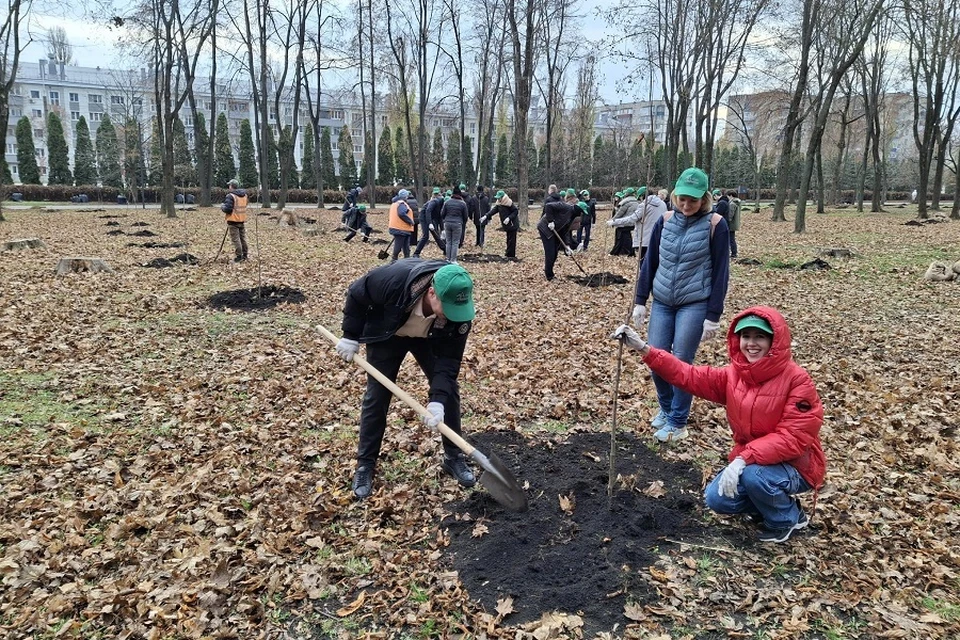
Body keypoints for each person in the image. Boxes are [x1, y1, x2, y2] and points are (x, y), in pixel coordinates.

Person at [611, 307, 825, 543]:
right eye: (746, 336)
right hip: (753, 461)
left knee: (754, 476)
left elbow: (793, 438)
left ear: (774, 342)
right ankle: (767, 503)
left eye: (760, 337)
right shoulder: (735, 375)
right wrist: (644, 348)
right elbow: (689, 375)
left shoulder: (797, 380)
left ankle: (787, 518)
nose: (751, 344)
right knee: (718, 499)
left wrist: (743, 459)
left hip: (796, 466)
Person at [334, 260, 478, 500]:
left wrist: (437, 400)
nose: (455, 314)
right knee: (377, 395)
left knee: (449, 392)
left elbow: (449, 361)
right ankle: (365, 464)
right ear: (431, 292)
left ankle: (454, 457)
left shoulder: (459, 313)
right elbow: (358, 293)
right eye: (448, 307)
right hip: (389, 332)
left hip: (430, 336)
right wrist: (350, 335)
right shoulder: (393, 280)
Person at [632, 167, 731, 442]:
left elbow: (721, 272)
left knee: (681, 362)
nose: (686, 205)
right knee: (656, 358)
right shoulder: (664, 221)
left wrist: (713, 315)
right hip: (662, 301)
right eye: (682, 199)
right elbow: (650, 262)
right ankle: (666, 409)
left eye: (693, 200)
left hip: (694, 303)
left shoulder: (716, 225)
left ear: (704, 199)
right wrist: (640, 300)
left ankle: (678, 421)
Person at [606, 187, 667, 261]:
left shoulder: (644, 205)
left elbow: (632, 218)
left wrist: (614, 222)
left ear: (642, 196)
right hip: (660, 238)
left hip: (645, 240)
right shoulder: (663, 204)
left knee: (644, 263)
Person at [536, 185, 574, 281]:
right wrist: (550, 221)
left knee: (555, 252)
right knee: (550, 252)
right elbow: (548, 206)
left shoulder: (571, 216)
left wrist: (567, 245)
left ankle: (550, 271)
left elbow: (565, 231)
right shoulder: (566, 207)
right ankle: (549, 275)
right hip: (545, 228)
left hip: (554, 230)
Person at [482, 189, 519, 259]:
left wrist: (509, 218)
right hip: (507, 225)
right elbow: (493, 211)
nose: (498, 199)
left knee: (512, 240)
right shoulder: (499, 204)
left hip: (512, 224)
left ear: (502, 197)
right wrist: (486, 216)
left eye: (499, 198)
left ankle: (511, 255)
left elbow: (515, 211)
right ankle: (508, 254)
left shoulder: (509, 203)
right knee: (508, 239)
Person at [221, 178, 248, 262]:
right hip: (241, 220)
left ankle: (239, 257)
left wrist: (222, 207)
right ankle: (245, 255)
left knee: (236, 240)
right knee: (242, 238)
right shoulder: (244, 195)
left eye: (229, 185)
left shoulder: (230, 196)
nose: (229, 187)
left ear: (231, 186)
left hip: (233, 221)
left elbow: (228, 209)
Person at [440, 185, 469, 263]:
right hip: (457, 223)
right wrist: (463, 223)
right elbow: (465, 216)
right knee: (455, 242)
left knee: (448, 241)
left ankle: (447, 258)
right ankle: (453, 259)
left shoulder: (447, 202)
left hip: (447, 223)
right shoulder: (463, 203)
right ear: (460, 194)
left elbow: (442, 214)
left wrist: (445, 220)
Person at [414, 187, 445, 257]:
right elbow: (428, 211)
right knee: (426, 236)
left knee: (436, 235)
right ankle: (416, 253)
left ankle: (445, 249)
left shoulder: (442, 204)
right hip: (423, 217)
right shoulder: (435, 201)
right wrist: (430, 223)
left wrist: (442, 229)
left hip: (431, 217)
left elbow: (440, 217)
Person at [610, 188, 640, 256]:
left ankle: (615, 252)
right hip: (632, 222)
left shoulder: (626, 202)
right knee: (627, 237)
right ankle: (627, 251)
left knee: (619, 237)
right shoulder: (636, 201)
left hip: (624, 223)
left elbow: (619, 213)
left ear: (627, 194)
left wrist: (613, 221)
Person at [389, 189, 415, 261]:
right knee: (398, 246)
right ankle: (394, 260)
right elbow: (401, 213)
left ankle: (407, 259)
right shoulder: (401, 204)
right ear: (405, 196)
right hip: (401, 228)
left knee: (406, 247)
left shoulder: (395, 203)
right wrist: (410, 221)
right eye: (407, 196)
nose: (407, 197)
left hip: (400, 228)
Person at [726, 190, 741, 258]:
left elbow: (730, 215)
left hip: (731, 224)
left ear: (731, 196)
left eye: (728, 196)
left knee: (731, 239)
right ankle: (734, 252)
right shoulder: (737, 203)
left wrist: (727, 220)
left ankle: (734, 253)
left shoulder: (732, 204)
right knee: (732, 238)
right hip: (734, 224)